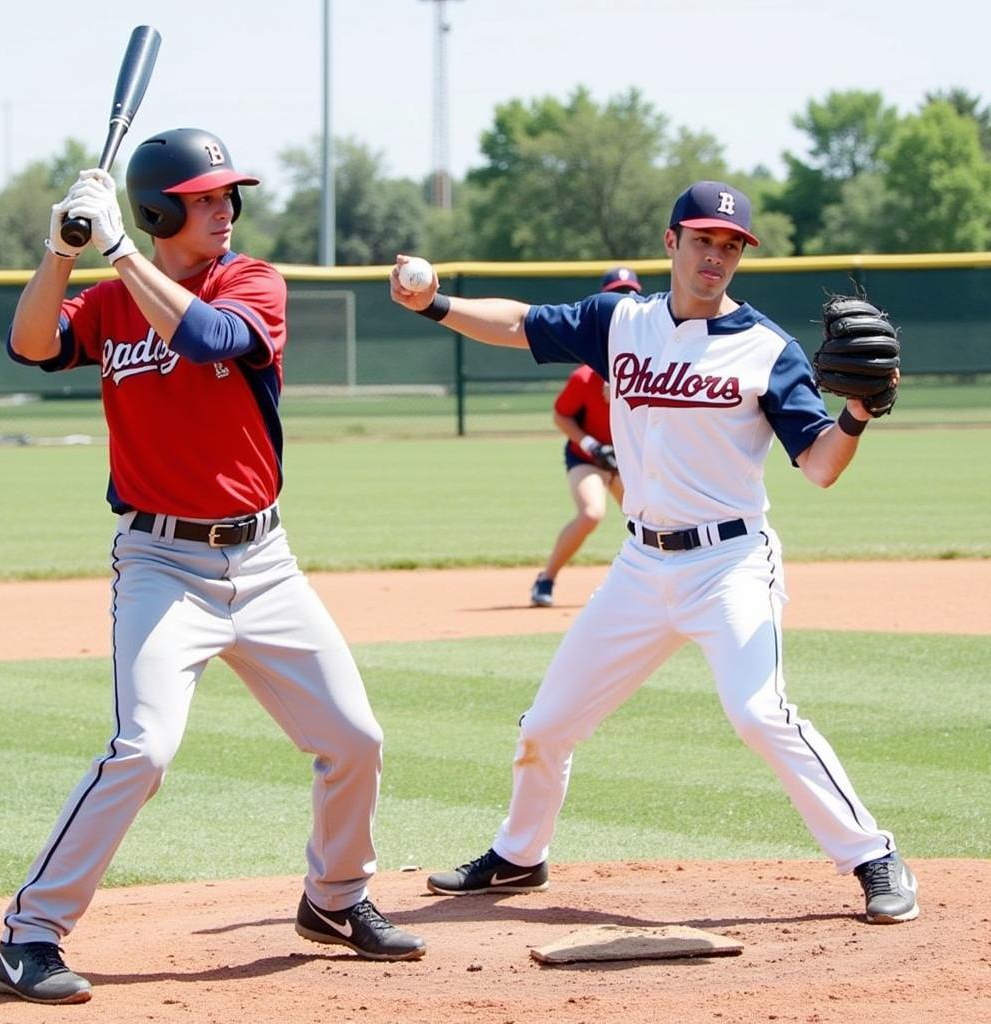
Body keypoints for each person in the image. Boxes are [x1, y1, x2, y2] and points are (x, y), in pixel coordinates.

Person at [390, 180, 917, 926]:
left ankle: (873, 856)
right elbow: (520, 324)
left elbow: (821, 466)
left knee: (759, 712)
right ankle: (520, 853)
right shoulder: (618, 320)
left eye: (732, 245)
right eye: (704, 240)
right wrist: (437, 305)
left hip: (729, 564)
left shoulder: (769, 350)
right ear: (672, 243)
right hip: (640, 566)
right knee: (546, 724)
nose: (717, 256)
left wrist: (858, 412)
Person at [0, 128, 425, 1006]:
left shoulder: (251, 281)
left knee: (355, 740)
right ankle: (29, 935)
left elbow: (212, 340)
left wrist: (115, 249)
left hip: (264, 561)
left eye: (229, 194)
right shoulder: (113, 304)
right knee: (143, 750)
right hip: (160, 563)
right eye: (203, 197)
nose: (223, 207)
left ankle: (335, 899)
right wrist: (58, 252)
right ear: (160, 211)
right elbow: (33, 345)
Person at [529, 267, 641, 607]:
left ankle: (650, 590)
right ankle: (546, 579)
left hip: (631, 459)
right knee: (592, 513)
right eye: (617, 293)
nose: (626, 299)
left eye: (631, 293)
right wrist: (593, 446)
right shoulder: (584, 376)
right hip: (588, 456)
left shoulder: (651, 368)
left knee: (654, 522)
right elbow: (561, 415)